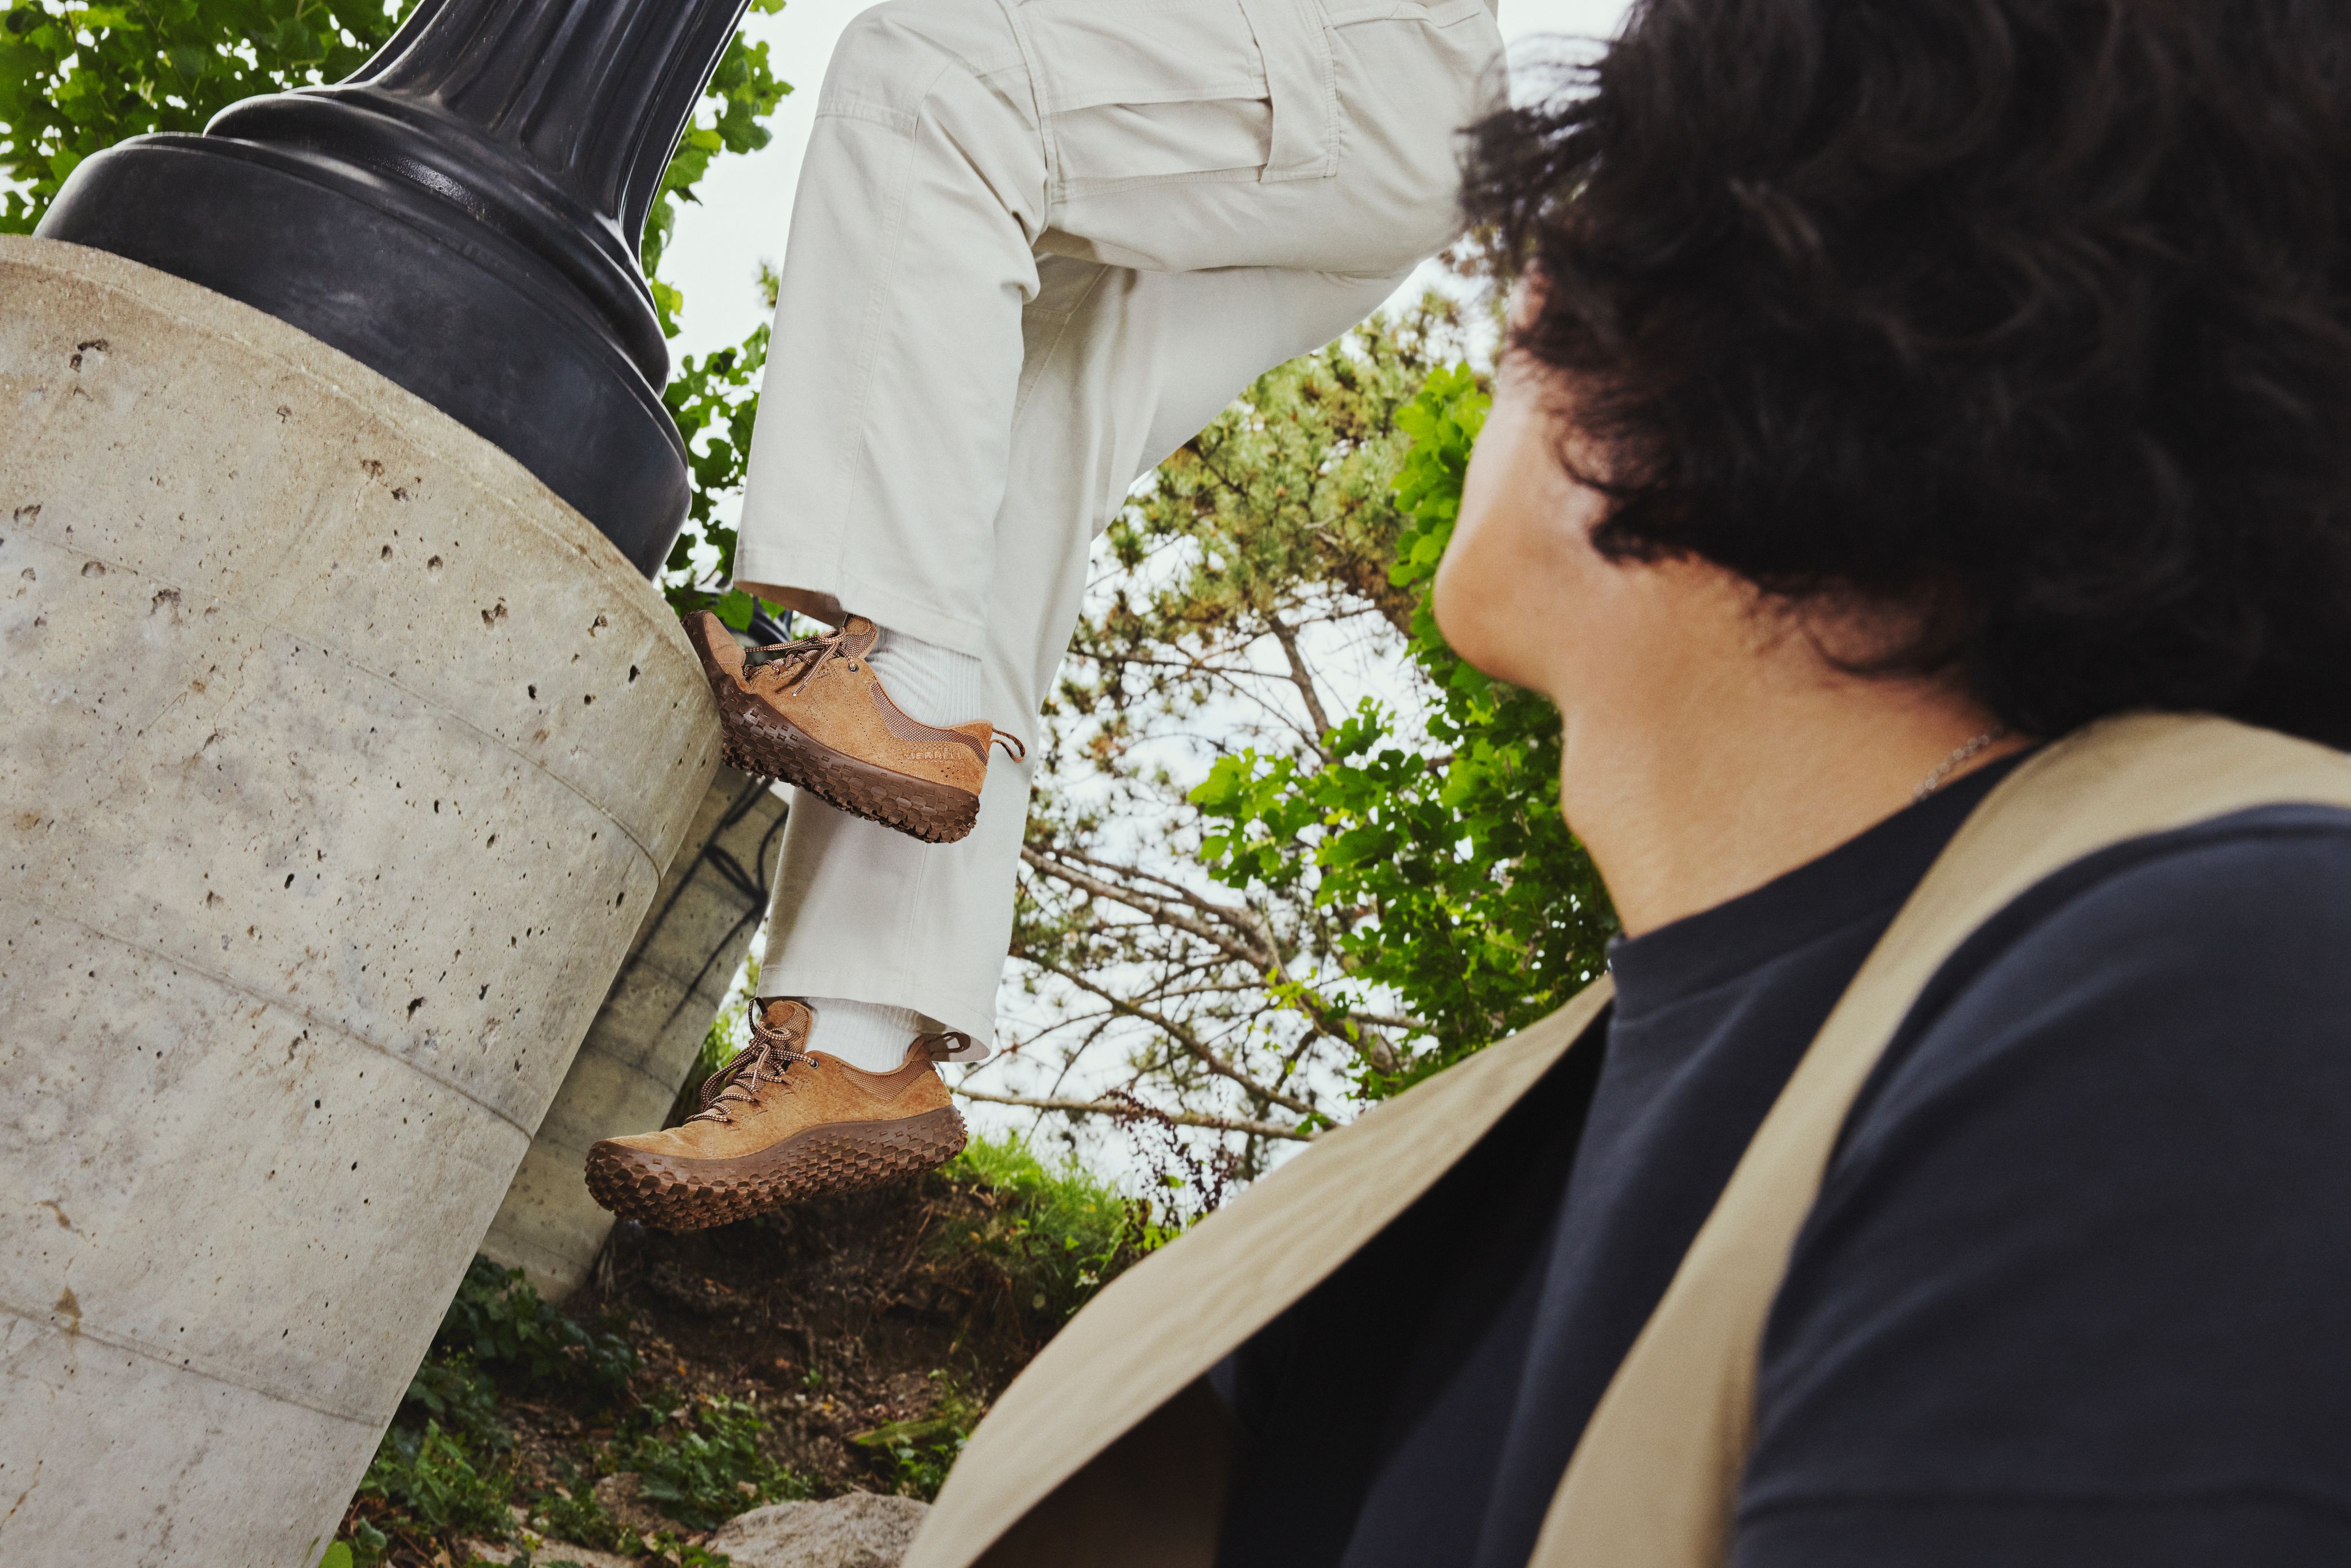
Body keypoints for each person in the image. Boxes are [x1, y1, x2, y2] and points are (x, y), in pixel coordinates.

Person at [885, 2, 2351, 1566]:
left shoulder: (2231, 992)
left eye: (1631, 180)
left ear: (1832, 286)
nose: (1539, 259)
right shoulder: (1484, 1155)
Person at [584, 0, 1506, 1228]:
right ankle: (857, 1039)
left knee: (928, 81)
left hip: (1352, 51)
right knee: (1014, 440)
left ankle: (899, 675)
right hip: (1343, 110)